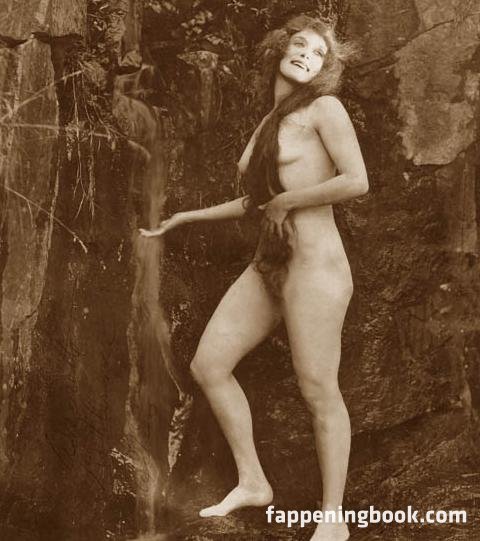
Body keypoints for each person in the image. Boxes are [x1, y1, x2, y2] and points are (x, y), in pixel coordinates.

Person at [139, 14, 368, 541]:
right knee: (209, 365)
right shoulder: (270, 121)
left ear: (327, 69)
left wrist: (289, 201)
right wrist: (186, 218)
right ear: (280, 48)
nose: (307, 55)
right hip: (272, 261)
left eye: (319, 53)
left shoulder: (324, 109)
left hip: (317, 267)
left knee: (318, 389)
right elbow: (257, 201)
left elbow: (357, 180)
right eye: (300, 44)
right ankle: (253, 481)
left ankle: (333, 518)